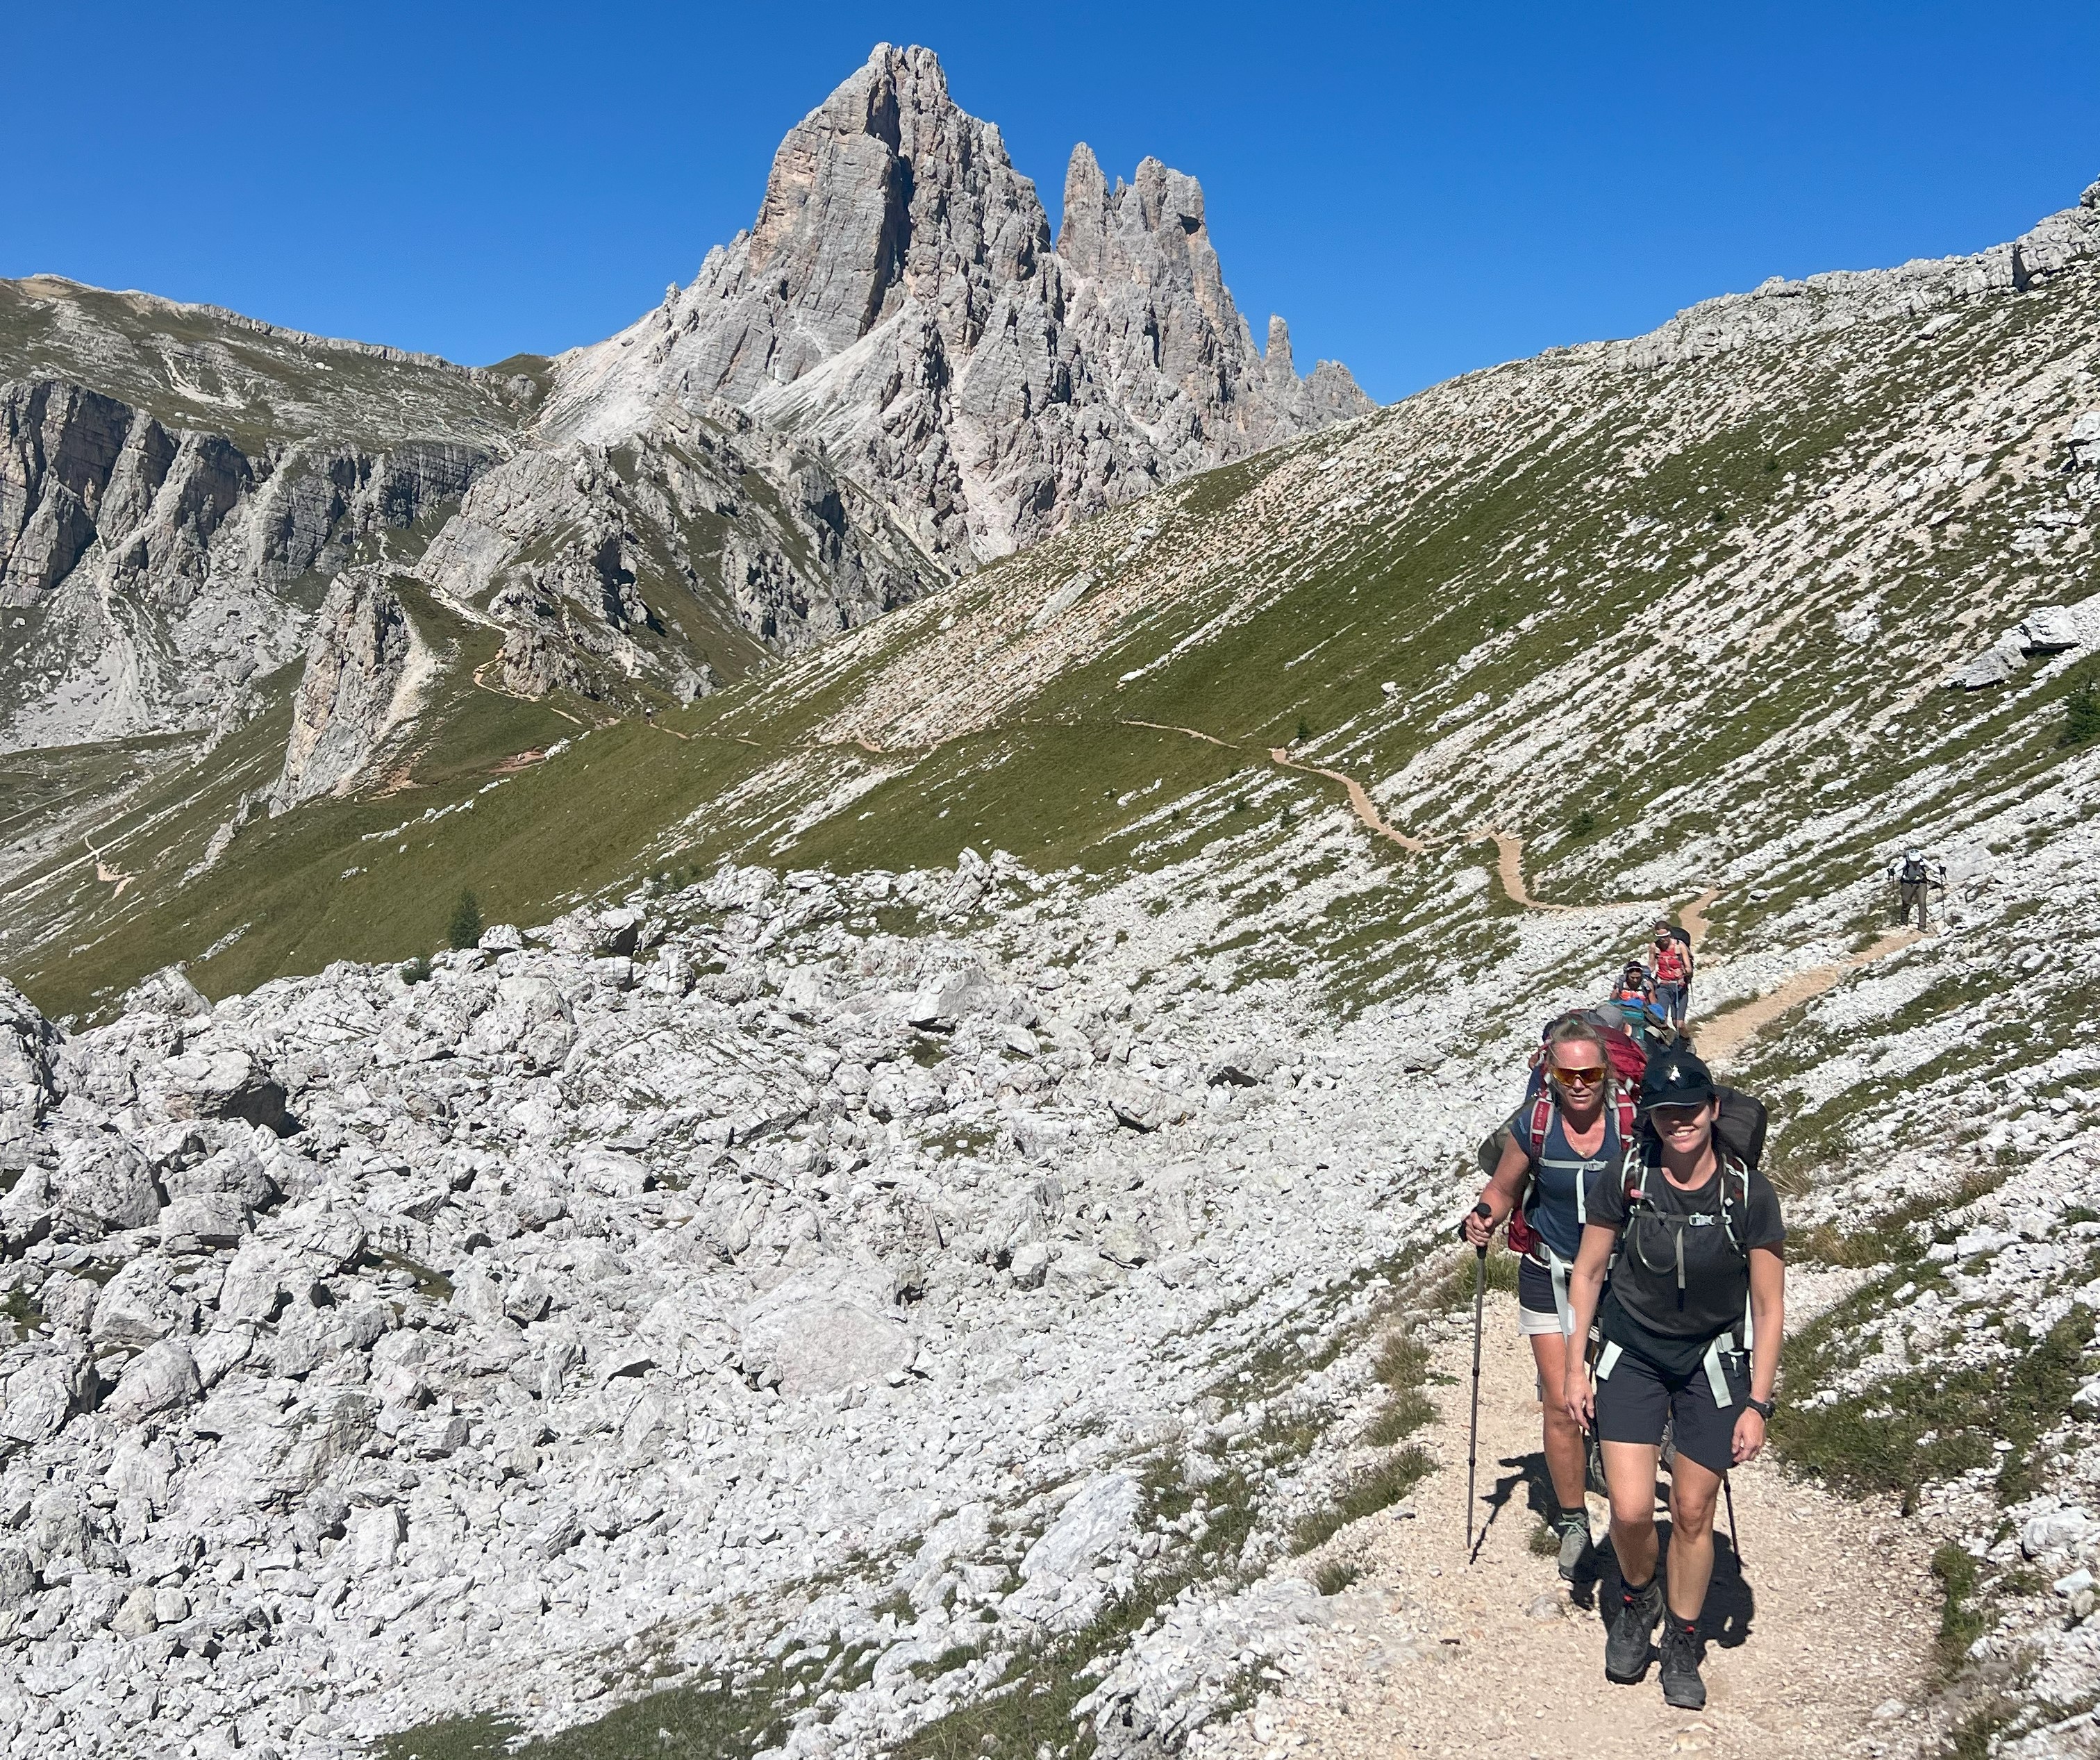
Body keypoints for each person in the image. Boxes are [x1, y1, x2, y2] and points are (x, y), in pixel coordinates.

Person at [1561, 1049, 1786, 1711]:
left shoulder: (1749, 1193)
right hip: (1632, 1352)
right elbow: (1588, 1272)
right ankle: (1639, 1597)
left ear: (1713, 1109)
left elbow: (1769, 1304)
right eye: (1666, 1112)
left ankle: (1683, 1639)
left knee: (1691, 1510)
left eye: (1691, 1109)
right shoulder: (1628, 1177)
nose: (1679, 1122)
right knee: (1631, 1509)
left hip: (1712, 1360)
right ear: (1651, 1118)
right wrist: (1575, 1368)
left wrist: (1759, 1403)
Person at [1463, 1015, 1634, 1581]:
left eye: (1590, 1074)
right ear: (1552, 1074)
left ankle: (1625, 1502)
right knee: (1562, 1402)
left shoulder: (1631, 1123)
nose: (1579, 1084)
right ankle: (1573, 1520)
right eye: (1568, 1075)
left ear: (1607, 1072)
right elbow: (1503, 1187)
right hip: (1549, 1272)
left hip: (1620, 1278)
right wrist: (1484, 1217)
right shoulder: (1535, 1124)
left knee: (1618, 1398)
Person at [1649, 923, 1691, 1032]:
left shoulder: (1680, 946)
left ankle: (1685, 1041)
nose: (1663, 939)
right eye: (1660, 937)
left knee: (1678, 1023)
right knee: (1661, 1019)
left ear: (1670, 934)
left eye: (1665, 936)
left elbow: (1689, 968)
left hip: (1680, 986)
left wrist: (1682, 971)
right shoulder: (1654, 947)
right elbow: (1651, 966)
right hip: (1663, 985)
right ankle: (1667, 1040)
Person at [1889, 849, 1944, 929]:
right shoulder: (1906, 861)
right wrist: (1892, 871)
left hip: (1921, 883)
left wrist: (1940, 871)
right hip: (1908, 883)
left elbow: (1931, 867)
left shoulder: (1923, 861)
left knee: (1922, 903)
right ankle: (1904, 922)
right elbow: (1897, 868)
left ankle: (1922, 925)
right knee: (1906, 902)